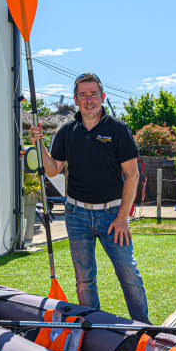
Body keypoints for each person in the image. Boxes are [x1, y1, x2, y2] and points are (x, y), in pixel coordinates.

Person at [29, 73, 149, 323]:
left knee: (128, 272)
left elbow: (132, 175)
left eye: (93, 94)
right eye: (83, 95)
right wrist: (39, 144)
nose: (89, 99)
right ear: (75, 100)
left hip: (112, 215)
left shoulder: (118, 130)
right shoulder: (66, 132)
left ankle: (143, 326)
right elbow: (53, 169)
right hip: (76, 214)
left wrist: (122, 218)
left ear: (102, 97)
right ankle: (93, 327)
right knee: (84, 279)